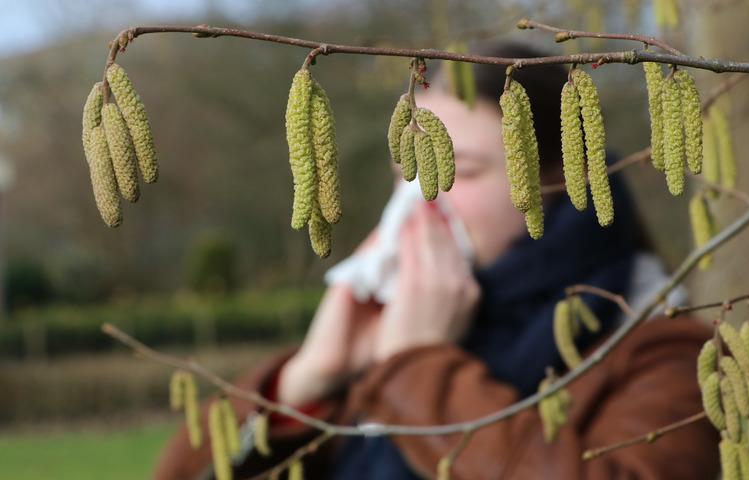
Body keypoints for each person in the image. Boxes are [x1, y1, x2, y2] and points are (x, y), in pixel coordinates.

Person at [155, 43, 720, 480]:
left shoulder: (658, 353)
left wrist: (419, 369)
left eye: (463, 170)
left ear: (559, 179)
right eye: (409, 171)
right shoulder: (377, 337)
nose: (422, 199)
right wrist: (301, 384)